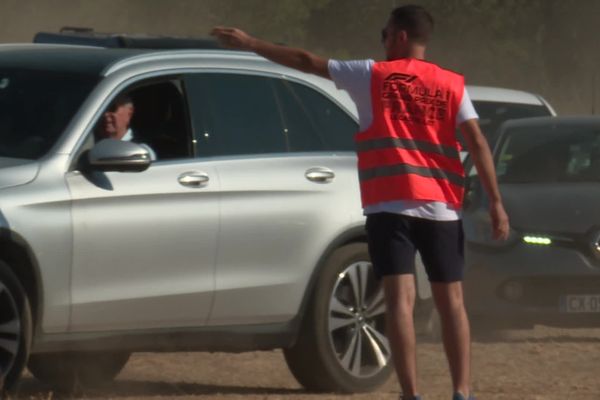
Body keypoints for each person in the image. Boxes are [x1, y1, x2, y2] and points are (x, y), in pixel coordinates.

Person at [212, 5, 509, 400]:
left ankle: (411, 394)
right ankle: (462, 392)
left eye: (384, 34)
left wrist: (251, 44)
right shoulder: (451, 84)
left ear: (400, 36)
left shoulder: (372, 75)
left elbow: (305, 62)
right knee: (452, 301)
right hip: (440, 207)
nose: (382, 41)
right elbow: (477, 142)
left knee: (398, 300)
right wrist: (495, 202)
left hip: (390, 206)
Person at [95, 94, 157, 160]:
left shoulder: (141, 151)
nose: (105, 114)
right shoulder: (88, 145)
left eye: (112, 108)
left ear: (129, 113)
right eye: (100, 110)